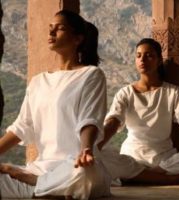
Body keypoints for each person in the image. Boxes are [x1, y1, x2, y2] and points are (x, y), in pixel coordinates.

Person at [0, 10, 110, 199]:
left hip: (75, 165)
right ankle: (43, 188)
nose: (51, 33)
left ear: (77, 39)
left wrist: (86, 149)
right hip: (41, 169)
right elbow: (21, 128)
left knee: (84, 175)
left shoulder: (91, 75)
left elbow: (89, 119)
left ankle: (36, 186)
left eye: (59, 29)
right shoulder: (37, 81)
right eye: (50, 28)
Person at [97, 38, 179, 184]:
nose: (142, 60)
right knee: (101, 154)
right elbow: (113, 123)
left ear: (159, 60)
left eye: (149, 55)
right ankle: (164, 178)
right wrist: (93, 147)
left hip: (163, 160)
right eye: (139, 55)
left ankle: (146, 177)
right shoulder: (125, 93)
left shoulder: (173, 92)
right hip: (132, 159)